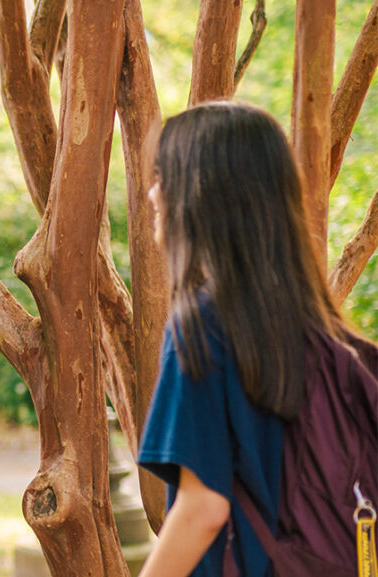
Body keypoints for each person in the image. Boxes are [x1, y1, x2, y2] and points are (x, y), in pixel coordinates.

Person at [136, 101, 371, 576]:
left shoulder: (202, 325)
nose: (153, 194)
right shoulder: (327, 336)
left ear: (203, 195)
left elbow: (202, 510)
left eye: (164, 177)